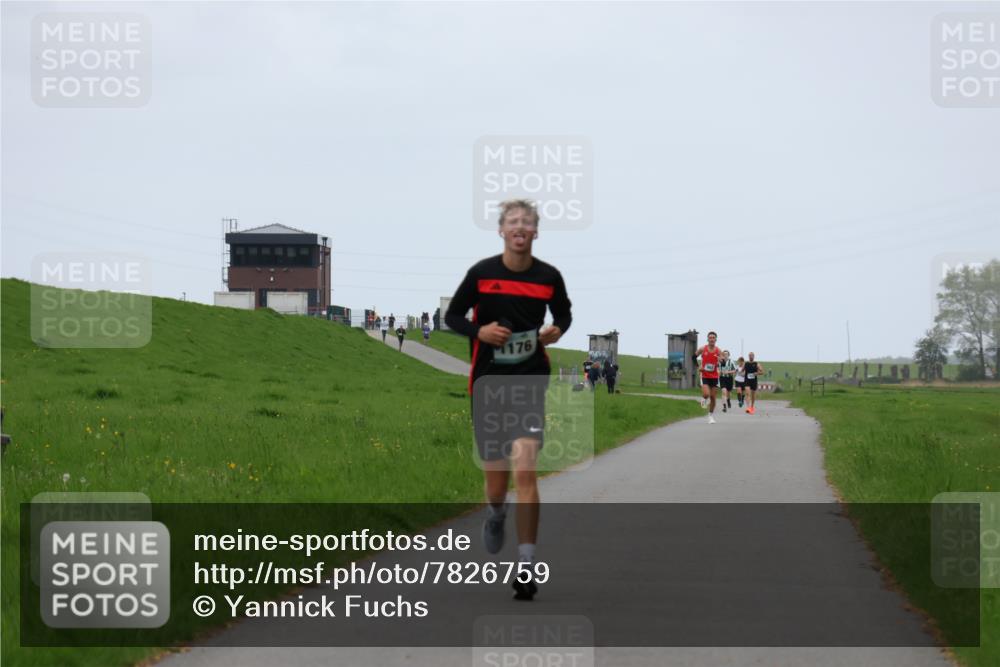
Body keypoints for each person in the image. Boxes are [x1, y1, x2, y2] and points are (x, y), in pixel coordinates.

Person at [444, 198, 572, 602]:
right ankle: (496, 513)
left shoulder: (549, 277)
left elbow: (564, 315)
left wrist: (556, 330)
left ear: (535, 232)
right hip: (489, 384)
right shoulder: (482, 274)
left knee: (526, 471)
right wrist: (479, 332)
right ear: (501, 230)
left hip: (529, 381)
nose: (520, 227)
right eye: (513, 221)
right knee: (497, 483)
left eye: (527, 222)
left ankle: (527, 565)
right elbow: (451, 317)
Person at [693, 331, 722, 424]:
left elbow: (723, 362)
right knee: (706, 394)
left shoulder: (718, 351)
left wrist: (721, 361)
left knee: (713, 397)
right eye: (710, 337)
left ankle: (710, 416)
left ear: (716, 339)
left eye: (713, 337)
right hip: (704, 375)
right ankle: (703, 399)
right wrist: (698, 367)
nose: (712, 339)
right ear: (707, 339)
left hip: (714, 376)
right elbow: (693, 357)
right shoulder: (703, 349)